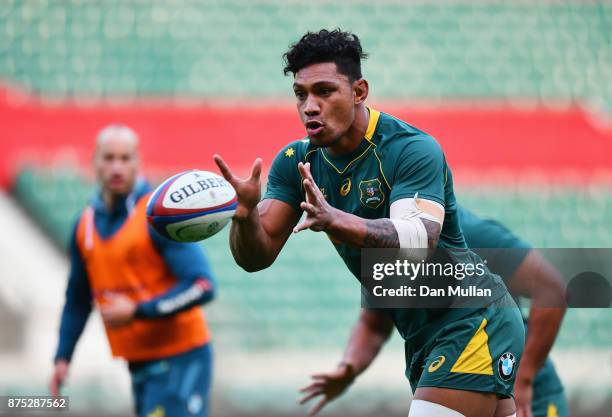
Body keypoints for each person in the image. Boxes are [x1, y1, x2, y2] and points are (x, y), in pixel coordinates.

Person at [214, 29, 524, 417]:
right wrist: (244, 217)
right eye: (301, 94)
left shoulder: (410, 149)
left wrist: (336, 219)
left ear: (359, 91)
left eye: (325, 91)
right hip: (424, 334)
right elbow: (255, 257)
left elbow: (418, 240)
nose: (310, 106)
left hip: (469, 317)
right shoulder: (296, 162)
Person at [49, 125, 216, 417]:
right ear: (94, 161)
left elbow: (202, 285)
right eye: (109, 157)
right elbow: (77, 298)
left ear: (138, 162)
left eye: (125, 158)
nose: (117, 167)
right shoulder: (84, 225)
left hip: (181, 358)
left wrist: (139, 310)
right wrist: (63, 356)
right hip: (138, 362)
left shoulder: (160, 217)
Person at [458, 206, 568, 417]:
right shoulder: (389, 256)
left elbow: (552, 291)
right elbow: (375, 326)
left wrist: (523, 378)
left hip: (525, 394)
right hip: (471, 392)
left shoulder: (471, 234)